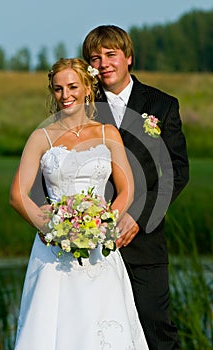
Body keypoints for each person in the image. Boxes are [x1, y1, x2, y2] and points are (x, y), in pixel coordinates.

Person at [10, 57, 149, 349]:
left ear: (88, 88)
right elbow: (18, 194)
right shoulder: (41, 137)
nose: (65, 95)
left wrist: (103, 224)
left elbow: (126, 189)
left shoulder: (107, 133)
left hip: (100, 247)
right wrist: (48, 227)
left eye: (72, 86)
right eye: (58, 89)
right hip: (53, 252)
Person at [82, 25, 189, 349]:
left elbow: (177, 171)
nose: (103, 64)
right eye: (95, 58)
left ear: (129, 57)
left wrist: (138, 217)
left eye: (111, 55)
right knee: (97, 332)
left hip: (145, 242)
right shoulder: (81, 107)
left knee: (155, 330)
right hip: (91, 244)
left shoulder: (162, 104)